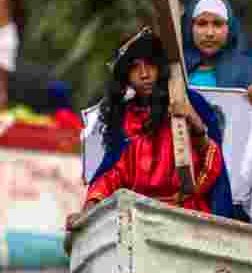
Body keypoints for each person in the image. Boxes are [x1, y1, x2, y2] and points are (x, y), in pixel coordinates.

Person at [65, 27, 231, 230]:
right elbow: (113, 173)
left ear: (160, 67)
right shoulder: (124, 116)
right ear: (126, 76)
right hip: (138, 217)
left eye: (150, 65)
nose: (144, 75)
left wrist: (193, 120)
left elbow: (214, 167)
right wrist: (89, 210)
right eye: (135, 68)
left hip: (188, 215)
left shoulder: (191, 101)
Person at [181, 0, 252, 108]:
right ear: (189, 27)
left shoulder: (247, 69)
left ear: (230, 28)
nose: (209, 33)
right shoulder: (176, 68)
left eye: (217, 24)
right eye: (202, 24)